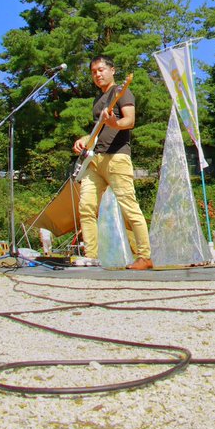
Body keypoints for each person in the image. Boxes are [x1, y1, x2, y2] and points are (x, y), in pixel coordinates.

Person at [72, 55, 153, 269]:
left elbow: (130, 120)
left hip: (117, 157)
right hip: (95, 159)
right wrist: (83, 140)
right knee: (86, 206)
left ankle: (145, 256)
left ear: (112, 70)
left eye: (101, 70)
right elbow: (98, 131)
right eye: (93, 72)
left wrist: (114, 123)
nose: (97, 74)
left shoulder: (121, 91)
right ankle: (92, 255)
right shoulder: (97, 101)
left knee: (129, 206)